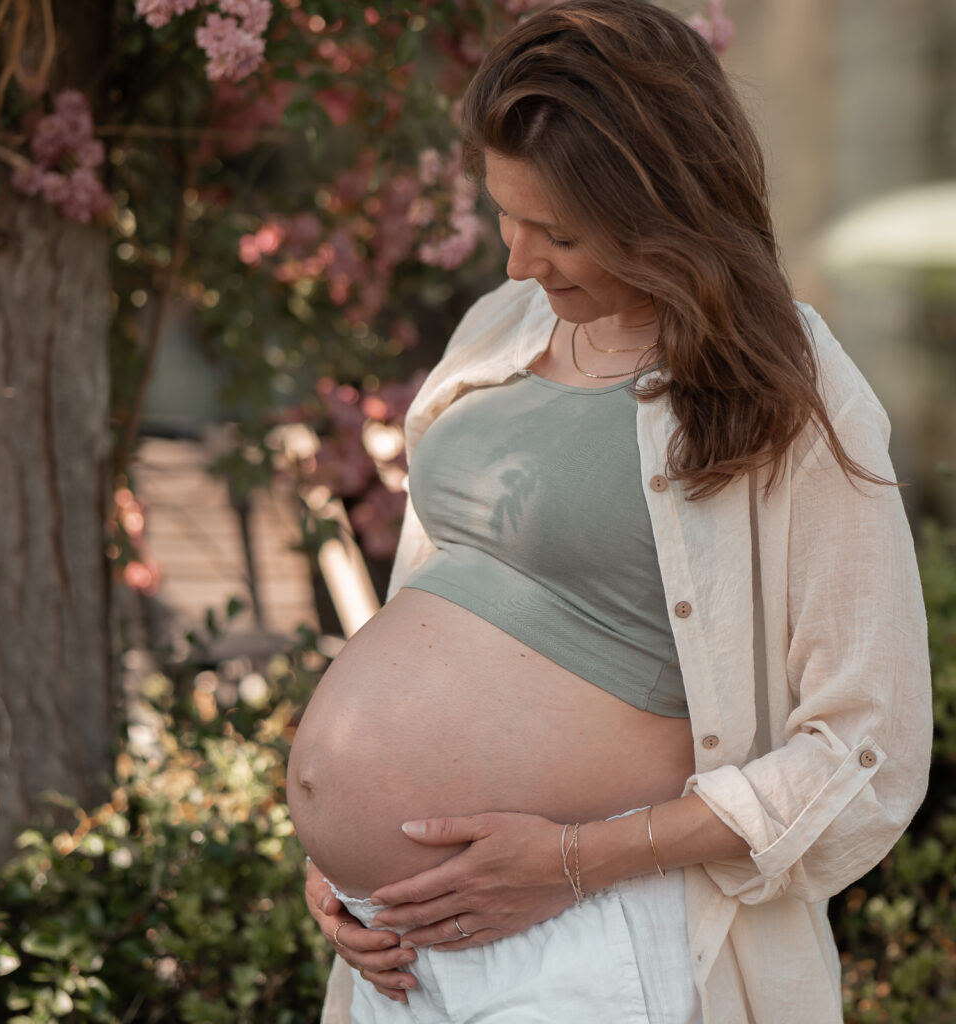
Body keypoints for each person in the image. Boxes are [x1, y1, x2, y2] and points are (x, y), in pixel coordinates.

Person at [285, 2, 933, 1021]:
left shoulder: (779, 379)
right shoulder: (497, 329)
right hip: (405, 944)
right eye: (504, 215)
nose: (517, 261)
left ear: (661, 208)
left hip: (588, 936)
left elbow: (865, 744)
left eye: (559, 233)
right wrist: (340, 860)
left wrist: (570, 860)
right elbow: (434, 602)